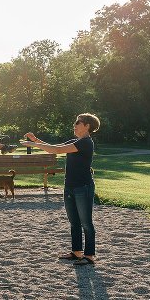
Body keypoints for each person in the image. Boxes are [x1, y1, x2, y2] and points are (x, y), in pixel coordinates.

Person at [21, 113, 100, 266]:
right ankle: (77, 252)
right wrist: (36, 140)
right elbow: (55, 148)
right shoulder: (75, 141)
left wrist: (35, 145)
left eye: (78, 122)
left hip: (83, 187)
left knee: (86, 223)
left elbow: (56, 151)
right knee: (74, 222)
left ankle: (89, 255)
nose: (75, 125)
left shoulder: (86, 143)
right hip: (70, 187)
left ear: (87, 126)